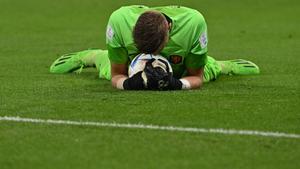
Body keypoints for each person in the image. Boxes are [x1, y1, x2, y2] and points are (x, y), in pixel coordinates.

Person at [49, 5, 259, 90]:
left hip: (178, 66)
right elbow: (116, 74)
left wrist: (177, 84)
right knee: (105, 67)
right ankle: (89, 56)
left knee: (207, 69)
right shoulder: (119, 20)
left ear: (169, 32)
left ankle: (224, 66)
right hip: (131, 65)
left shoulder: (194, 23)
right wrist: (128, 84)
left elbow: (196, 76)